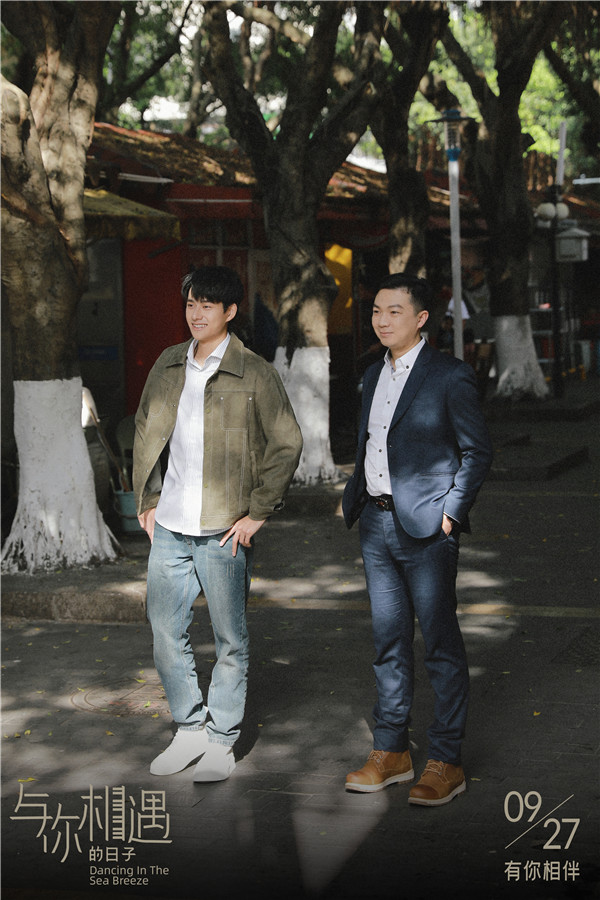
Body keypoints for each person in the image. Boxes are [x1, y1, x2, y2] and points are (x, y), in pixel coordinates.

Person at [133, 266, 302, 782]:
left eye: (207, 305)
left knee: (230, 638)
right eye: (191, 304)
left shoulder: (254, 372)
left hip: (224, 529)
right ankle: (188, 729)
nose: (196, 314)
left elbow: (286, 443)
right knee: (165, 630)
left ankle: (221, 740)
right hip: (170, 527)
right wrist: (149, 497)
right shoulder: (168, 363)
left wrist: (258, 512)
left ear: (230, 312)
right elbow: (145, 427)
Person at [342, 272, 493, 806]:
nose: (382, 321)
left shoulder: (448, 375)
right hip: (376, 524)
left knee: (440, 645)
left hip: (427, 529)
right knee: (388, 642)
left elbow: (477, 450)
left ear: (421, 318)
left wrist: (451, 512)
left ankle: (446, 760)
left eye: (395, 312)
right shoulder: (371, 373)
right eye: (376, 311)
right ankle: (391, 751)